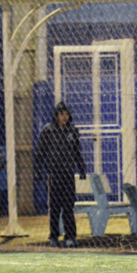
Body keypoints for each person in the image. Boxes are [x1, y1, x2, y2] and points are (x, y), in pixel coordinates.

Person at [36, 101, 86, 248]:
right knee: (55, 207)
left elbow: (77, 152)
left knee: (68, 206)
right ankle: (54, 236)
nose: (64, 117)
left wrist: (81, 169)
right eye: (61, 114)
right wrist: (38, 171)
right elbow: (40, 153)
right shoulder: (47, 131)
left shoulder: (72, 131)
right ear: (56, 115)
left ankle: (70, 236)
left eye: (66, 114)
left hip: (68, 174)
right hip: (54, 175)